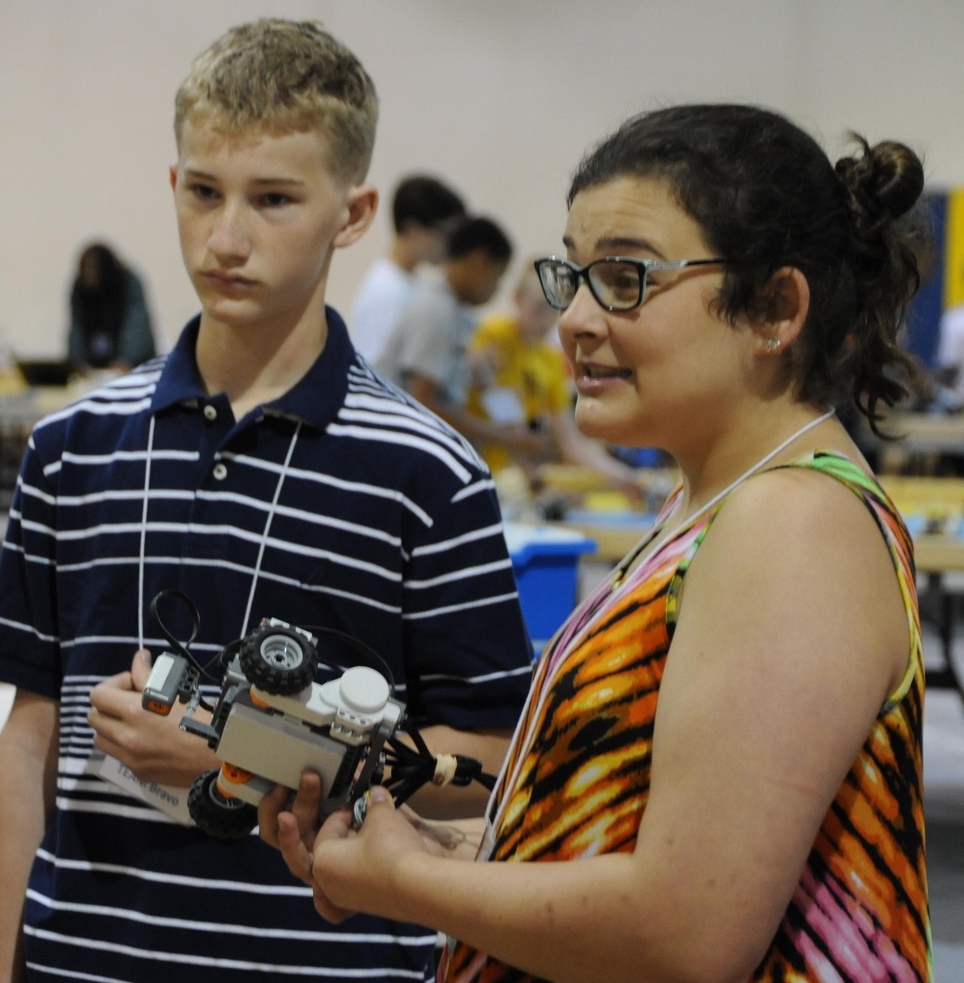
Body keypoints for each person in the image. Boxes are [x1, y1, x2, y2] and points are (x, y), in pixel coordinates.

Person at [260, 103, 933, 983]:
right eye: (572, 275)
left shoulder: (792, 524)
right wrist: (455, 845)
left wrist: (412, 882)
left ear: (775, 307)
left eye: (626, 277)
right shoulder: (719, 504)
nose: (575, 318)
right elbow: (640, 843)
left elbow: (685, 932)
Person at [0, 18, 532, 983]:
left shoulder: (429, 472)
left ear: (352, 214)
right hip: (87, 959)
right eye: (203, 192)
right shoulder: (71, 448)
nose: (227, 238)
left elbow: (483, 762)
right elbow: (30, 739)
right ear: (174, 188)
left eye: (274, 199)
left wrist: (232, 755)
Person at [377, 215, 546, 464]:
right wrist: (503, 437)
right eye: (497, 275)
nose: (496, 288)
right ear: (478, 262)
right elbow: (423, 402)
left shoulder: (454, 311)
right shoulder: (437, 310)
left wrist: (470, 371)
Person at [467, 260, 644, 492]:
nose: (546, 320)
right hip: (473, 465)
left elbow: (569, 441)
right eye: (538, 308)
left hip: (509, 478)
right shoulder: (491, 336)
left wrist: (623, 476)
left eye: (554, 309)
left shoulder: (550, 360)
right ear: (517, 298)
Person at [350, 174, 466, 363]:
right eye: (445, 234)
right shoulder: (386, 291)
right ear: (413, 229)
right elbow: (374, 369)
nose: (450, 246)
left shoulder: (413, 284)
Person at [68, 241, 157, 372]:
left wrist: (125, 359)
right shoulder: (80, 288)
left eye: (93, 268)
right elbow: (77, 327)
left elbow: (137, 324)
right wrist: (78, 362)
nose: (89, 275)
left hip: (132, 366)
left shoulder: (127, 283)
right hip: (93, 367)